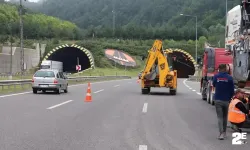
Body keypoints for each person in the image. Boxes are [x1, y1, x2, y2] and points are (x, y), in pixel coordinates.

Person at [212, 64, 235, 140]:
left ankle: (221, 133)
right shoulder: (230, 78)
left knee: (220, 117)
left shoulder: (216, 76)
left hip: (218, 99)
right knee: (225, 117)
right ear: (226, 69)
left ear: (219, 69)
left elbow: (214, 85)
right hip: (226, 100)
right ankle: (224, 133)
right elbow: (232, 90)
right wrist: (230, 97)